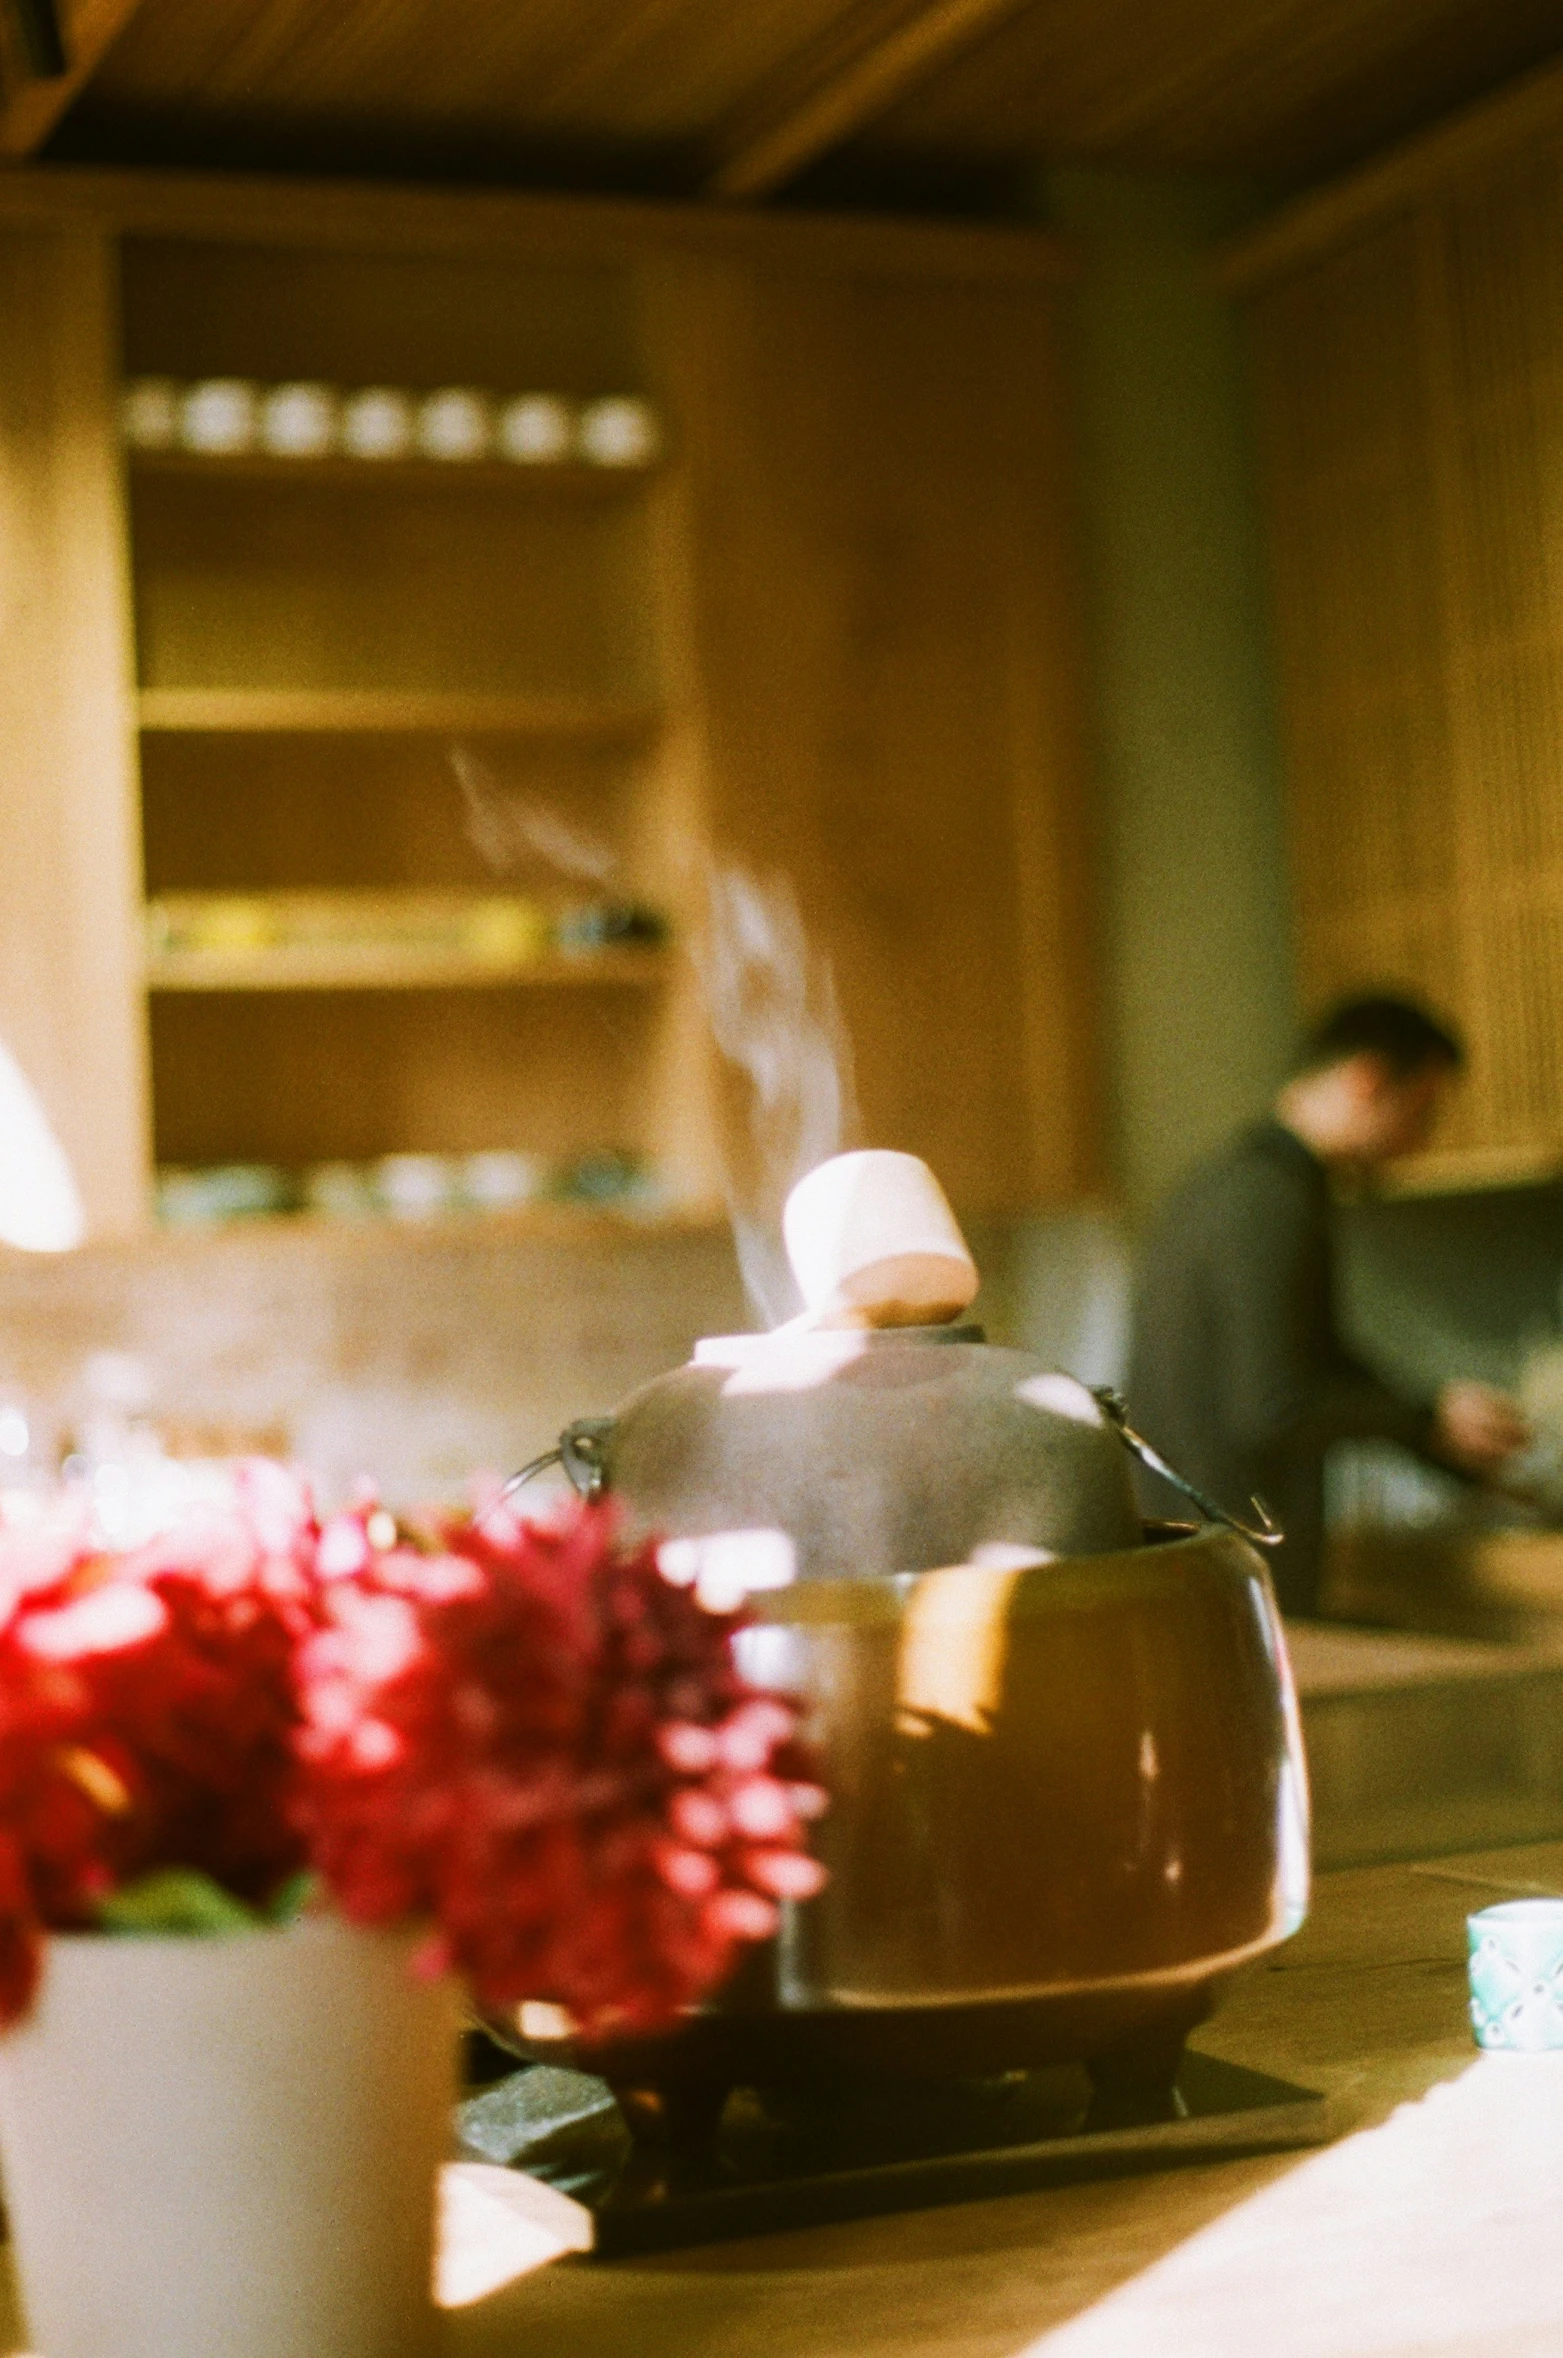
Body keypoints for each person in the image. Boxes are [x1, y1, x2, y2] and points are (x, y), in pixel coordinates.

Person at [1126, 995, 1530, 1617]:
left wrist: (1438, 1432)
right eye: (1421, 1113)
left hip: (1197, 1563)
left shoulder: (1232, 1183)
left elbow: (1315, 1362)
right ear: (1368, 1080)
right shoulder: (1272, 1202)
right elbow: (1274, 1403)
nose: (1417, 1144)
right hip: (1235, 1571)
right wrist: (1424, 1421)